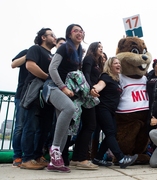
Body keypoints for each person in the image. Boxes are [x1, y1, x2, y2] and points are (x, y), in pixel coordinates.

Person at [42, 24, 90, 173]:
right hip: (52, 87)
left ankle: (55, 163)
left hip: (64, 90)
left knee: (65, 125)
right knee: (69, 108)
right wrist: (63, 87)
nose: (79, 33)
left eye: (81, 31)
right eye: (76, 30)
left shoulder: (78, 52)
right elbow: (52, 69)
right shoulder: (64, 48)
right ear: (69, 34)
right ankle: (55, 149)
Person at [90, 57, 138, 169]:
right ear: (110, 66)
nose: (119, 65)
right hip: (103, 109)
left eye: (119, 63)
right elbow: (99, 85)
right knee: (110, 133)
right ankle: (121, 158)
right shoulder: (105, 76)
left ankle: (98, 158)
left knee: (112, 134)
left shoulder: (116, 80)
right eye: (116, 63)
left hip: (111, 111)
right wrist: (94, 89)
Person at [20, 28, 56, 170]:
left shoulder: (52, 55)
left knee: (44, 128)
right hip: (35, 92)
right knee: (31, 126)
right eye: (51, 35)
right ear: (43, 37)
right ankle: (27, 158)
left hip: (48, 95)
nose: (54, 37)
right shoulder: (35, 49)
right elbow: (30, 65)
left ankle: (37, 156)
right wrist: (47, 77)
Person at [74, 41, 104, 165]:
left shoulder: (97, 62)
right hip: (87, 95)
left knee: (88, 125)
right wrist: (90, 89)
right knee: (90, 125)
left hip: (92, 95)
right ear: (94, 48)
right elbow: (86, 74)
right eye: (99, 47)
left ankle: (76, 157)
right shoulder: (89, 58)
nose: (102, 49)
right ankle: (81, 157)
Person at [11, 48, 29, 167]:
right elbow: (13, 64)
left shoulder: (49, 56)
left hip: (37, 96)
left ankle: (30, 155)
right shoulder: (27, 51)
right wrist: (29, 56)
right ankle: (17, 156)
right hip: (22, 95)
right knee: (20, 126)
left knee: (33, 127)